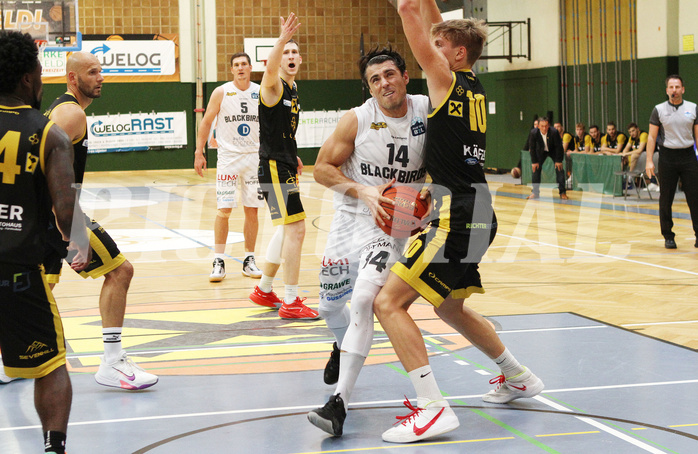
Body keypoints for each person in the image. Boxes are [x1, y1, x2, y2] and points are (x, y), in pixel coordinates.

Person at [372, 0, 544, 443]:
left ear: (457, 53)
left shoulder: (444, 79)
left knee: (388, 304)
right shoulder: (472, 84)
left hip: (457, 214)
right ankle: (518, 375)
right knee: (449, 306)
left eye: (440, 43)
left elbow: (413, 14)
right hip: (482, 209)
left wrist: (406, 6)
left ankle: (431, 408)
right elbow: (432, 22)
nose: (432, 46)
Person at [306, 47, 429, 437]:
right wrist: (364, 191)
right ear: (368, 87)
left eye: (390, 75)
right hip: (351, 217)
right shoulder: (357, 119)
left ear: (406, 76)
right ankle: (341, 346)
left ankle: (337, 403)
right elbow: (321, 169)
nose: (384, 84)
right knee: (329, 307)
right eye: (375, 79)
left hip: (391, 226)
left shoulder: (428, 110)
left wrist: (428, 199)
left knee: (363, 301)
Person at [43, 52, 159, 389]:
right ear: (72, 78)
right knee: (120, 270)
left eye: (101, 71)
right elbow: (43, 172)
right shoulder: (72, 114)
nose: (100, 77)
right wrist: (70, 229)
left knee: (42, 286)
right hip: (56, 213)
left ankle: (10, 359)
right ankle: (112, 362)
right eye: (92, 72)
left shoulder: (64, 110)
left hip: (45, 215)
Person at [0, 30, 91, 454]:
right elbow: (66, 213)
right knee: (51, 364)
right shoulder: (49, 134)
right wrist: (79, 246)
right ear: (26, 79)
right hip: (18, 270)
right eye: (38, 72)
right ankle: (54, 447)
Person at [247, 14, 319, 320]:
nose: (289, 56)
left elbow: (282, 130)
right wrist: (281, 39)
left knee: (286, 229)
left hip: (284, 162)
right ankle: (291, 300)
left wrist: (294, 154)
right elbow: (270, 69)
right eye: (284, 53)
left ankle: (264, 289)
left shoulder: (293, 88)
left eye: (293, 53)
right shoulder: (273, 87)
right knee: (297, 229)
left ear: (300, 60)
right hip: (274, 167)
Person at [194, 52, 264, 282]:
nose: (241, 68)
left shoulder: (260, 91)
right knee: (223, 210)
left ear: (250, 67)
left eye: (244, 64)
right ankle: (219, 260)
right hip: (228, 158)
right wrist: (198, 151)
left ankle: (249, 259)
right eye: (236, 65)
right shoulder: (222, 92)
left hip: (254, 157)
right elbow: (206, 122)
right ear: (232, 69)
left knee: (251, 210)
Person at [646, 75, 698, 249]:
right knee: (666, 198)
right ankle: (668, 236)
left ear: (683, 89)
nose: (674, 90)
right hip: (667, 157)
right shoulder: (658, 110)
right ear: (666, 90)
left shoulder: (693, 108)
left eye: (677, 87)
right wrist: (649, 161)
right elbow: (652, 137)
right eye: (671, 87)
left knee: (694, 198)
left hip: (688, 157)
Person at [527, 117, 567, 200]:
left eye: (546, 126)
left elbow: (559, 147)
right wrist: (534, 162)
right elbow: (532, 148)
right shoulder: (533, 133)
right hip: (541, 151)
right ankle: (535, 193)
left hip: (553, 150)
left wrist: (559, 160)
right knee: (536, 169)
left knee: (559, 169)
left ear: (548, 125)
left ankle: (562, 192)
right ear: (538, 126)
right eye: (542, 126)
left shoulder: (554, 132)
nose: (544, 128)